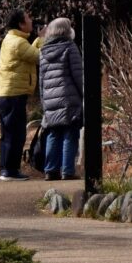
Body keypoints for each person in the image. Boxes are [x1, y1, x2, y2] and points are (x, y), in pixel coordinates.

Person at [0, 9, 42, 181]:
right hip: (13, 95)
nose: (31, 20)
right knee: (16, 134)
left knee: (9, 133)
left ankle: (7, 168)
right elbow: (38, 57)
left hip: (5, 94)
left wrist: (38, 40)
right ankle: (10, 170)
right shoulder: (18, 43)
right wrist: (43, 39)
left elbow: (30, 52)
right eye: (28, 18)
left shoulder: (13, 40)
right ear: (21, 24)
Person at [38, 17, 84, 181]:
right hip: (68, 98)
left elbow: (41, 80)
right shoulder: (70, 47)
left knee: (53, 134)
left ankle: (50, 170)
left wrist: (44, 102)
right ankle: (67, 171)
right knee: (70, 134)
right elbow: (78, 75)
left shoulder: (43, 51)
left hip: (50, 100)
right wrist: (84, 95)